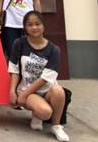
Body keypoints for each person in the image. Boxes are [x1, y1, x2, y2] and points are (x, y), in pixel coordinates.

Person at [8, 11, 70, 142]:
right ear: (25, 27)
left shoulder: (54, 50)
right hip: (27, 90)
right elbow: (14, 69)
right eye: (30, 24)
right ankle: (37, 112)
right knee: (45, 113)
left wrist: (24, 96)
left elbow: (46, 78)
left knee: (59, 91)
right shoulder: (19, 43)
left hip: (46, 90)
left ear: (43, 25)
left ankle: (56, 126)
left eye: (37, 24)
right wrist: (13, 91)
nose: (34, 27)